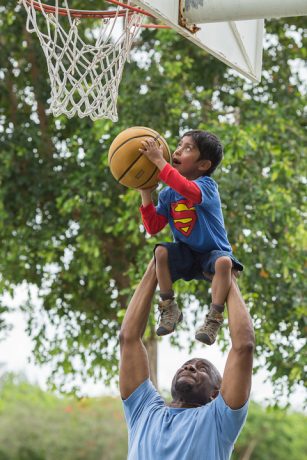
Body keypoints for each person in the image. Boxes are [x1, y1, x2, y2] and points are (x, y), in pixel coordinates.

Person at [119, 260, 255, 460]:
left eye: (203, 369)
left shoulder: (219, 420)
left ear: (216, 393)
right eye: (186, 365)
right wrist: (157, 266)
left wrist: (228, 276)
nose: (190, 367)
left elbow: (244, 347)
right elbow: (128, 338)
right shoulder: (144, 410)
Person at [138, 130, 243, 345]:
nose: (177, 150)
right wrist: (146, 192)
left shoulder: (207, 186)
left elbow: (187, 189)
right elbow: (153, 227)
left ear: (203, 165)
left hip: (212, 254)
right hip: (187, 254)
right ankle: (169, 307)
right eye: (179, 145)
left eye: (188, 148)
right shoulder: (168, 194)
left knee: (224, 262)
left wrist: (159, 161)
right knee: (160, 251)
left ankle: (213, 318)